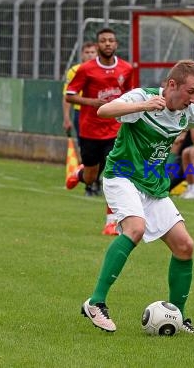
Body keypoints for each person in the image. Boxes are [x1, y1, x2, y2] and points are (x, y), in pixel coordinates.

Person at [80, 59, 194, 334]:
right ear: (172, 84)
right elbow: (104, 110)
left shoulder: (187, 112)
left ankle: (178, 317)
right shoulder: (144, 97)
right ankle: (96, 302)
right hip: (122, 176)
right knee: (135, 229)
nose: (193, 99)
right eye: (190, 92)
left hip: (153, 185)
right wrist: (142, 106)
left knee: (185, 246)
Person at [65, 28, 133, 235]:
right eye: (103, 41)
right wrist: (92, 102)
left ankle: (111, 222)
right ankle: (79, 173)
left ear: (116, 44)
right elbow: (70, 95)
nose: (108, 44)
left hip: (115, 129)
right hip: (90, 129)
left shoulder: (126, 68)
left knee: (114, 174)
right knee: (91, 176)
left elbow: (131, 94)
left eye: (111, 40)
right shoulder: (85, 69)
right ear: (97, 45)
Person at [62, 41, 98, 196]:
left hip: (102, 114)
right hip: (82, 113)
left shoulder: (104, 70)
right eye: (87, 52)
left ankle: (97, 180)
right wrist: (66, 118)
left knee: (107, 151)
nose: (90, 55)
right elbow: (67, 95)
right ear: (82, 54)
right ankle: (89, 184)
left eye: (93, 52)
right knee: (88, 149)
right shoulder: (75, 70)